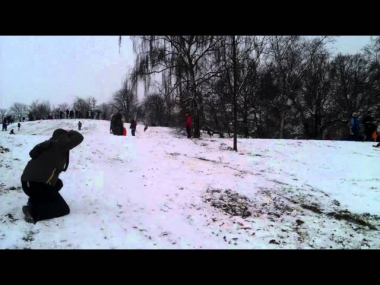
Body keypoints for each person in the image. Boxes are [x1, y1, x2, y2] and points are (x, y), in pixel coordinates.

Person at [20, 129, 84, 224]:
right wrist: (70, 131)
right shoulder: (60, 145)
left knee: (58, 183)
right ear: (64, 137)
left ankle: (34, 201)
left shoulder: (48, 144)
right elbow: (79, 137)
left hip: (27, 184)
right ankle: (32, 212)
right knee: (63, 209)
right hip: (36, 184)